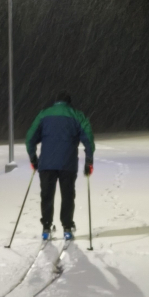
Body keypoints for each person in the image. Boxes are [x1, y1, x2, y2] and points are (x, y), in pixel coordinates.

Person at [25, 91, 94, 240]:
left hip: (47, 164)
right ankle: (67, 227)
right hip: (68, 163)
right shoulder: (77, 115)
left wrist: (33, 159)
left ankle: (46, 227)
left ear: (55, 102)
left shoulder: (44, 114)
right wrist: (89, 160)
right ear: (69, 103)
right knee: (68, 195)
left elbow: (30, 138)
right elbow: (88, 138)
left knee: (47, 195)